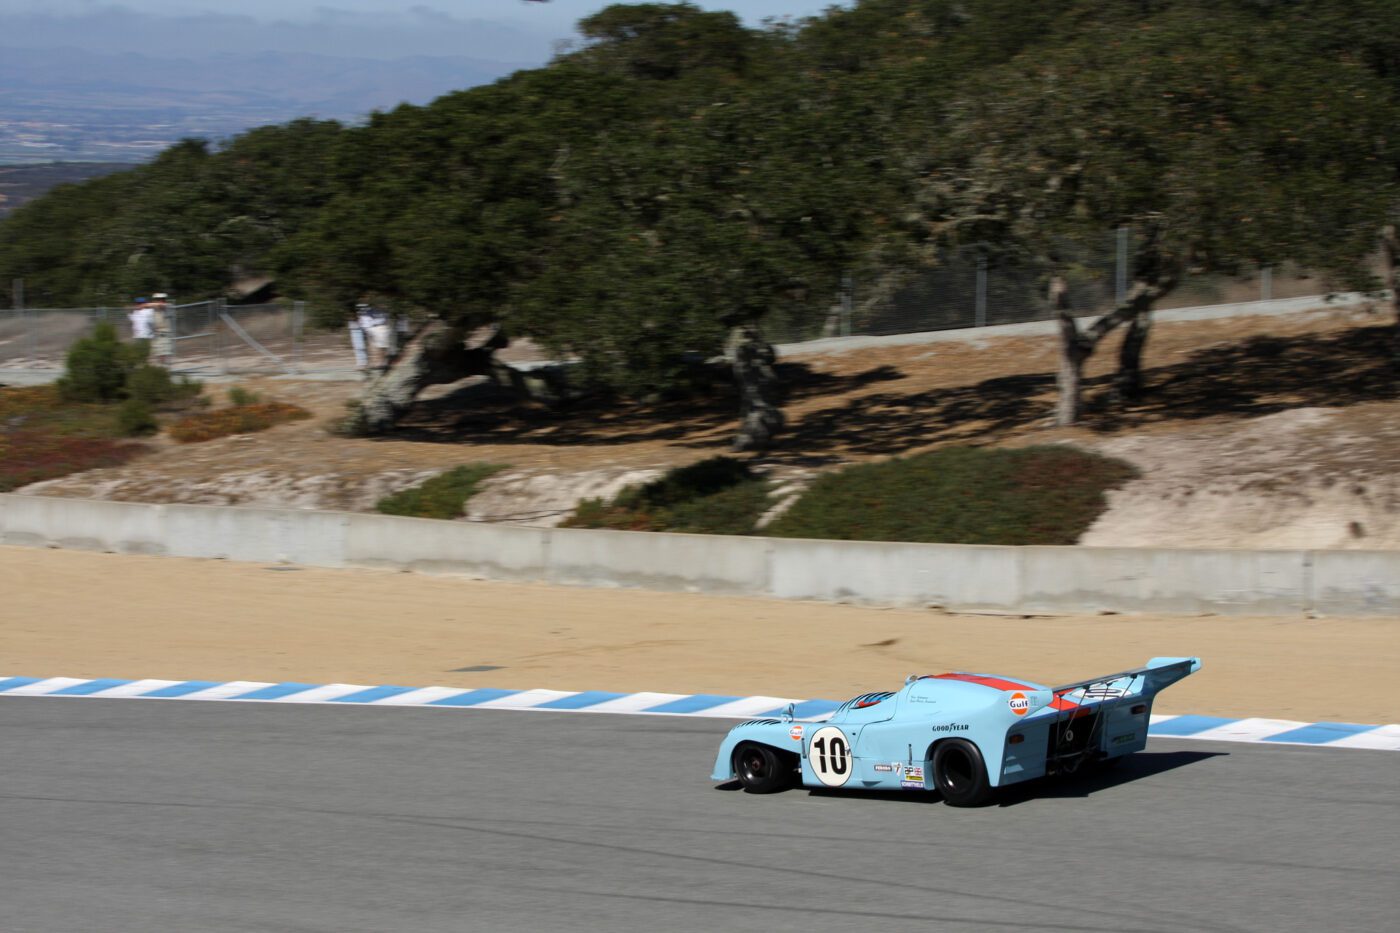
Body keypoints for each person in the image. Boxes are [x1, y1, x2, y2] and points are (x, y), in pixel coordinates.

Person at [356, 301, 392, 370]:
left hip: (381, 328)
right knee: (372, 348)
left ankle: (383, 363)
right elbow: (365, 321)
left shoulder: (384, 310)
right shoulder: (368, 311)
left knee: (382, 347)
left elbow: (386, 319)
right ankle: (375, 364)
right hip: (372, 328)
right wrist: (367, 331)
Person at [149, 293, 174, 367]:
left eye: (160, 299)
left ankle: (166, 367)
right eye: (157, 300)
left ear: (164, 300)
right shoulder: (155, 307)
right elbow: (147, 305)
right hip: (156, 332)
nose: (158, 301)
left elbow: (161, 305)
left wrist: (157, 304)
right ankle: (161, 366)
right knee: (158, 351)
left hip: (165, 332)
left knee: (165, 351)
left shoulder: (168, 306)